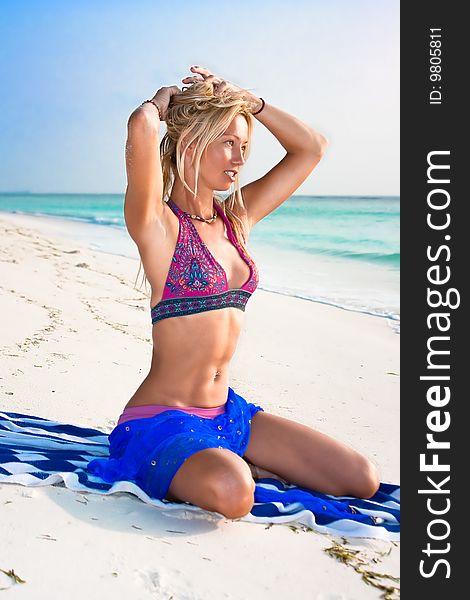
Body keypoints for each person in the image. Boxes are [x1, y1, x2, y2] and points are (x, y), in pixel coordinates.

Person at [86, 65, 380, 519]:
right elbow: (141, 128)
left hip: (230, 416)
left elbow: (311, 148)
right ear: (190, 143)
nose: (239, 159)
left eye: (244, 146)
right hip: (161, 421)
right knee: (232, 492)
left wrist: (251, 102)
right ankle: (214, 466)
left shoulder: (236, 220)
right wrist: (159, 104)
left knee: (361, 478)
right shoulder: (157, 226)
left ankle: (230, 459)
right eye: (227, 142)